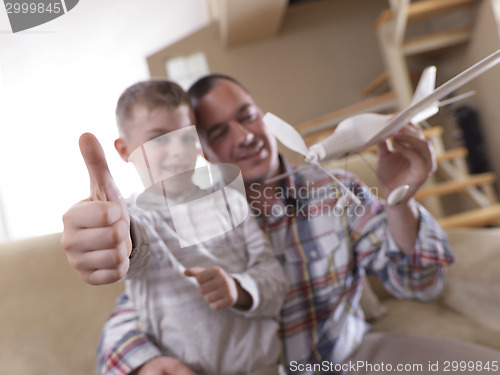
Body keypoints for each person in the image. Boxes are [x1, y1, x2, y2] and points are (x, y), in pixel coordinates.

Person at [64, 74, 494, 374]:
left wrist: (400, 202)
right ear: (204, 153)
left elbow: (423, 284)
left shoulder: (333, 189)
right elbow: (142, 300)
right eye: (217, 131)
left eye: (247, 115)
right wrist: (117, 242)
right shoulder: (186, 216)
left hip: (352, 359)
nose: (244, 135)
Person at [62, 79, 288, 375]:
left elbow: (274, 280)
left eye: (186, 138)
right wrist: (119, 234)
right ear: (125, 149)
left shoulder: (231, 202)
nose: (178, 150)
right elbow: (133, 244)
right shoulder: (133, 217)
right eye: (159, 139)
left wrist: (238, 289)